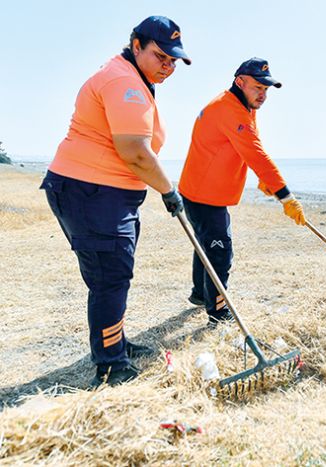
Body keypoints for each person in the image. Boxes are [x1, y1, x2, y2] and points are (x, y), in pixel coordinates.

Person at [39, 16, 190, 387]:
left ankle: (115, 341)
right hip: (92, 192)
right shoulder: (125, 81)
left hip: (104, 193)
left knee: (112, 275)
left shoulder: (133, 76)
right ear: (136, 45)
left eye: (173, 61)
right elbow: (135, 152)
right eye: (160, 57)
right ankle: (111, 365)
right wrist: (169, 191)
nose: (167, 67)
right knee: (110, 278)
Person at [177, 58, 306, 325]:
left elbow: (244, 147)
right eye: (258, 87)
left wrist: (264, 179)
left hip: (201, 190)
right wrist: (286, 196)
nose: (263, 95)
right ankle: (218, 312)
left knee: (207, 243)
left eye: (266, 90)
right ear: (240, 82)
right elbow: (256, 153)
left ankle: (201, 294)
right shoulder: (229, 110)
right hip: (203, 195)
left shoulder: (240, 105)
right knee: (220, 251)